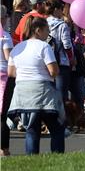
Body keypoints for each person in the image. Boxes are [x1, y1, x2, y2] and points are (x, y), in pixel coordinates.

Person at [6, 17, 65, 155]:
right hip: (43, 91)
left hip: (23, 92)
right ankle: (57, 156)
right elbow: (54, 71)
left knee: (32, 129)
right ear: (38, 31)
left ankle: (31, 158)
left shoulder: (18, 48)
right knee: (56, 127)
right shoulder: (44, 46)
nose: (48, 34)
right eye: (47, 31)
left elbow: (11, 72)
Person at [43, 0, 76, 102]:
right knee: (61, 94)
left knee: (48, 93)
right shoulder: (62, 25)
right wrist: (71, 59)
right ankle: (61, 116)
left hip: (46, 61)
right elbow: (67, 45)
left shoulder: (43, 22)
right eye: (61, 9)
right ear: (56, 9)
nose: (62, 12)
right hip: (61, 62)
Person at [0, 9, 14, 156]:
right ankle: (3, 148)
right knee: (3, 114)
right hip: (4, 76)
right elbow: (8, 57)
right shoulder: (5, 36)